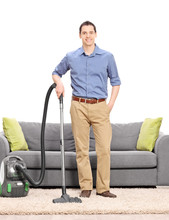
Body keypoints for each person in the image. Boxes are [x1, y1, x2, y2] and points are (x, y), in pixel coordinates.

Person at [52, 21, 121, 198]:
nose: (88, 36)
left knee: (104, 149)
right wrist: (59, 82)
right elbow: (56, 72)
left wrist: (110, 106)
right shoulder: (71, 56)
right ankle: (86, 187)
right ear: (80, 35)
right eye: (84, 33)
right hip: (78, 106)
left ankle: (103, 188)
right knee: (81, 149)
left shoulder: (107, 57)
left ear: (96, 34)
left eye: (91, 32)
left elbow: (116, 82)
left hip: (100, 106)